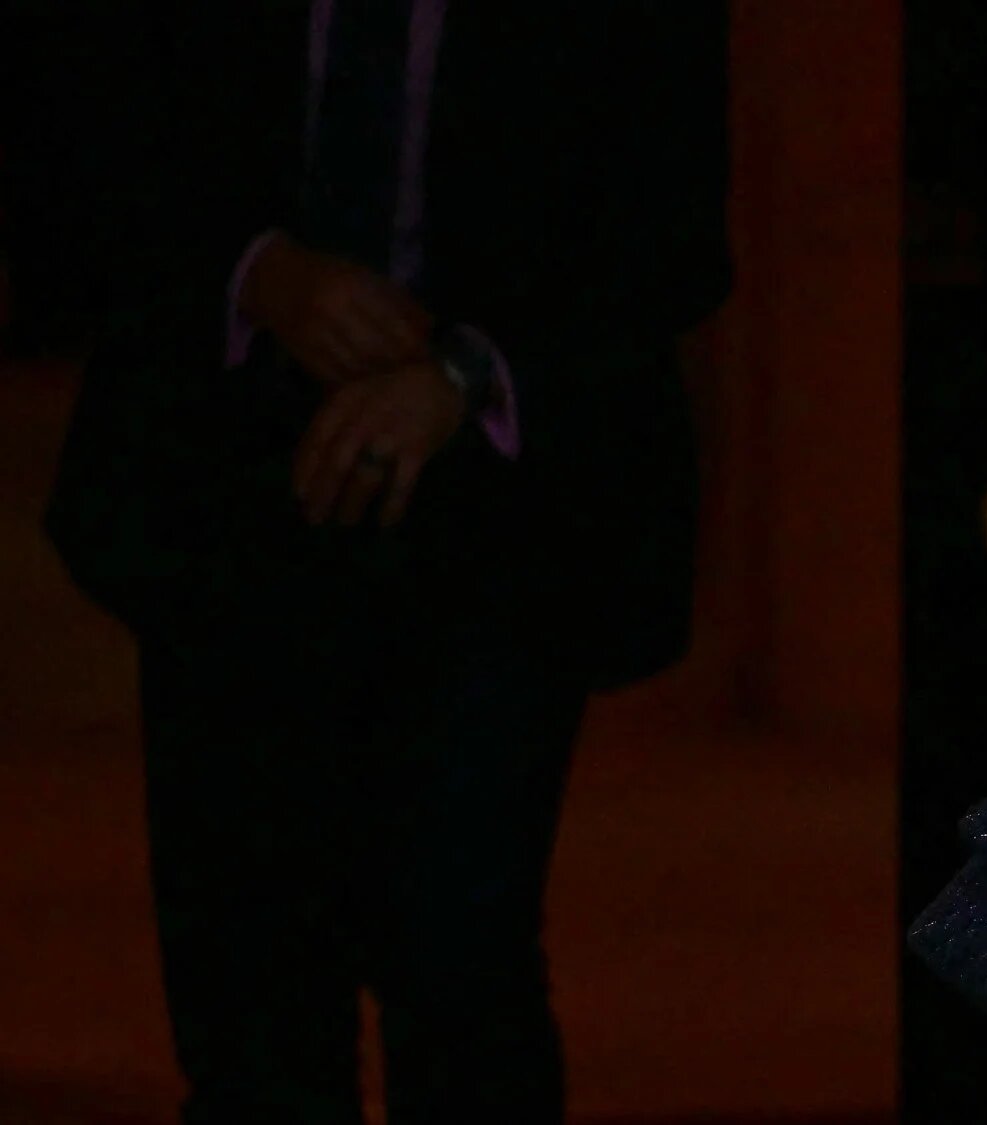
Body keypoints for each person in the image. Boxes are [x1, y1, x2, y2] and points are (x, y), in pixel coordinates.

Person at [26, 4, 729, 1122]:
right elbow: (83, 140)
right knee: (251, 983)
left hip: (503, 512)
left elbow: (667, 222)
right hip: (227, 500)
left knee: (459, 958)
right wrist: (256, 272)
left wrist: (462, 375)